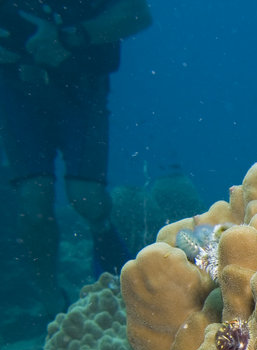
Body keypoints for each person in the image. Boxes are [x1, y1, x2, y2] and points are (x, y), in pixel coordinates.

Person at [0, 0, 152, 318]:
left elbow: (137, 14)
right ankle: (51, 304)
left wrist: (69, 37)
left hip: (79, 85)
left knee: (88, 199)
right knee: (33, 200)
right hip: (15, 86)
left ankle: (114, 266)